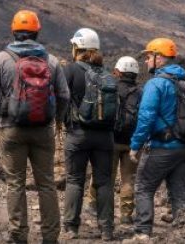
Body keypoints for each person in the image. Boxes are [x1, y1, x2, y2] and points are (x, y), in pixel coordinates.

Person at [0, 10, 69, 244]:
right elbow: (64, 95)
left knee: (15, 183)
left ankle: (19, 235)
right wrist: (58, 121)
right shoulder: (51, 61)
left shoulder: (1, 59)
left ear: (13, 31)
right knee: (47, 183)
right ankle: (50, 236)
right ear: (37, 32)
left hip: (11, 129)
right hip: (43, 130)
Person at [128, 38, 185, 239]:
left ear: (159, 58)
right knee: (180, 192)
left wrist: (135, 145)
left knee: (144, 187)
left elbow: (146, 117)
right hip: (184, 147)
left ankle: (142, 233)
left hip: (161, 146)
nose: (146, 61)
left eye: (149, 56)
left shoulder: (156, 84)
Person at [61, 28, 116, 241]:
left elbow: (61, 98)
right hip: (105, 137)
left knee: (75, 180)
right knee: (104, 182)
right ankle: (107, 229)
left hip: (78, 134)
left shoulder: (71, 70)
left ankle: (71, 228)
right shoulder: (107, 73)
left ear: (77, 47)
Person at [88, 56, 142, 225]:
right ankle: (126, 215)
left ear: (117, 71)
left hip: (109, 140)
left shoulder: (110, 87)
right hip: (132, 143)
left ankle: (97, 206)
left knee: (105, 177)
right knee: (128, 179)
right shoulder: (141, 93)